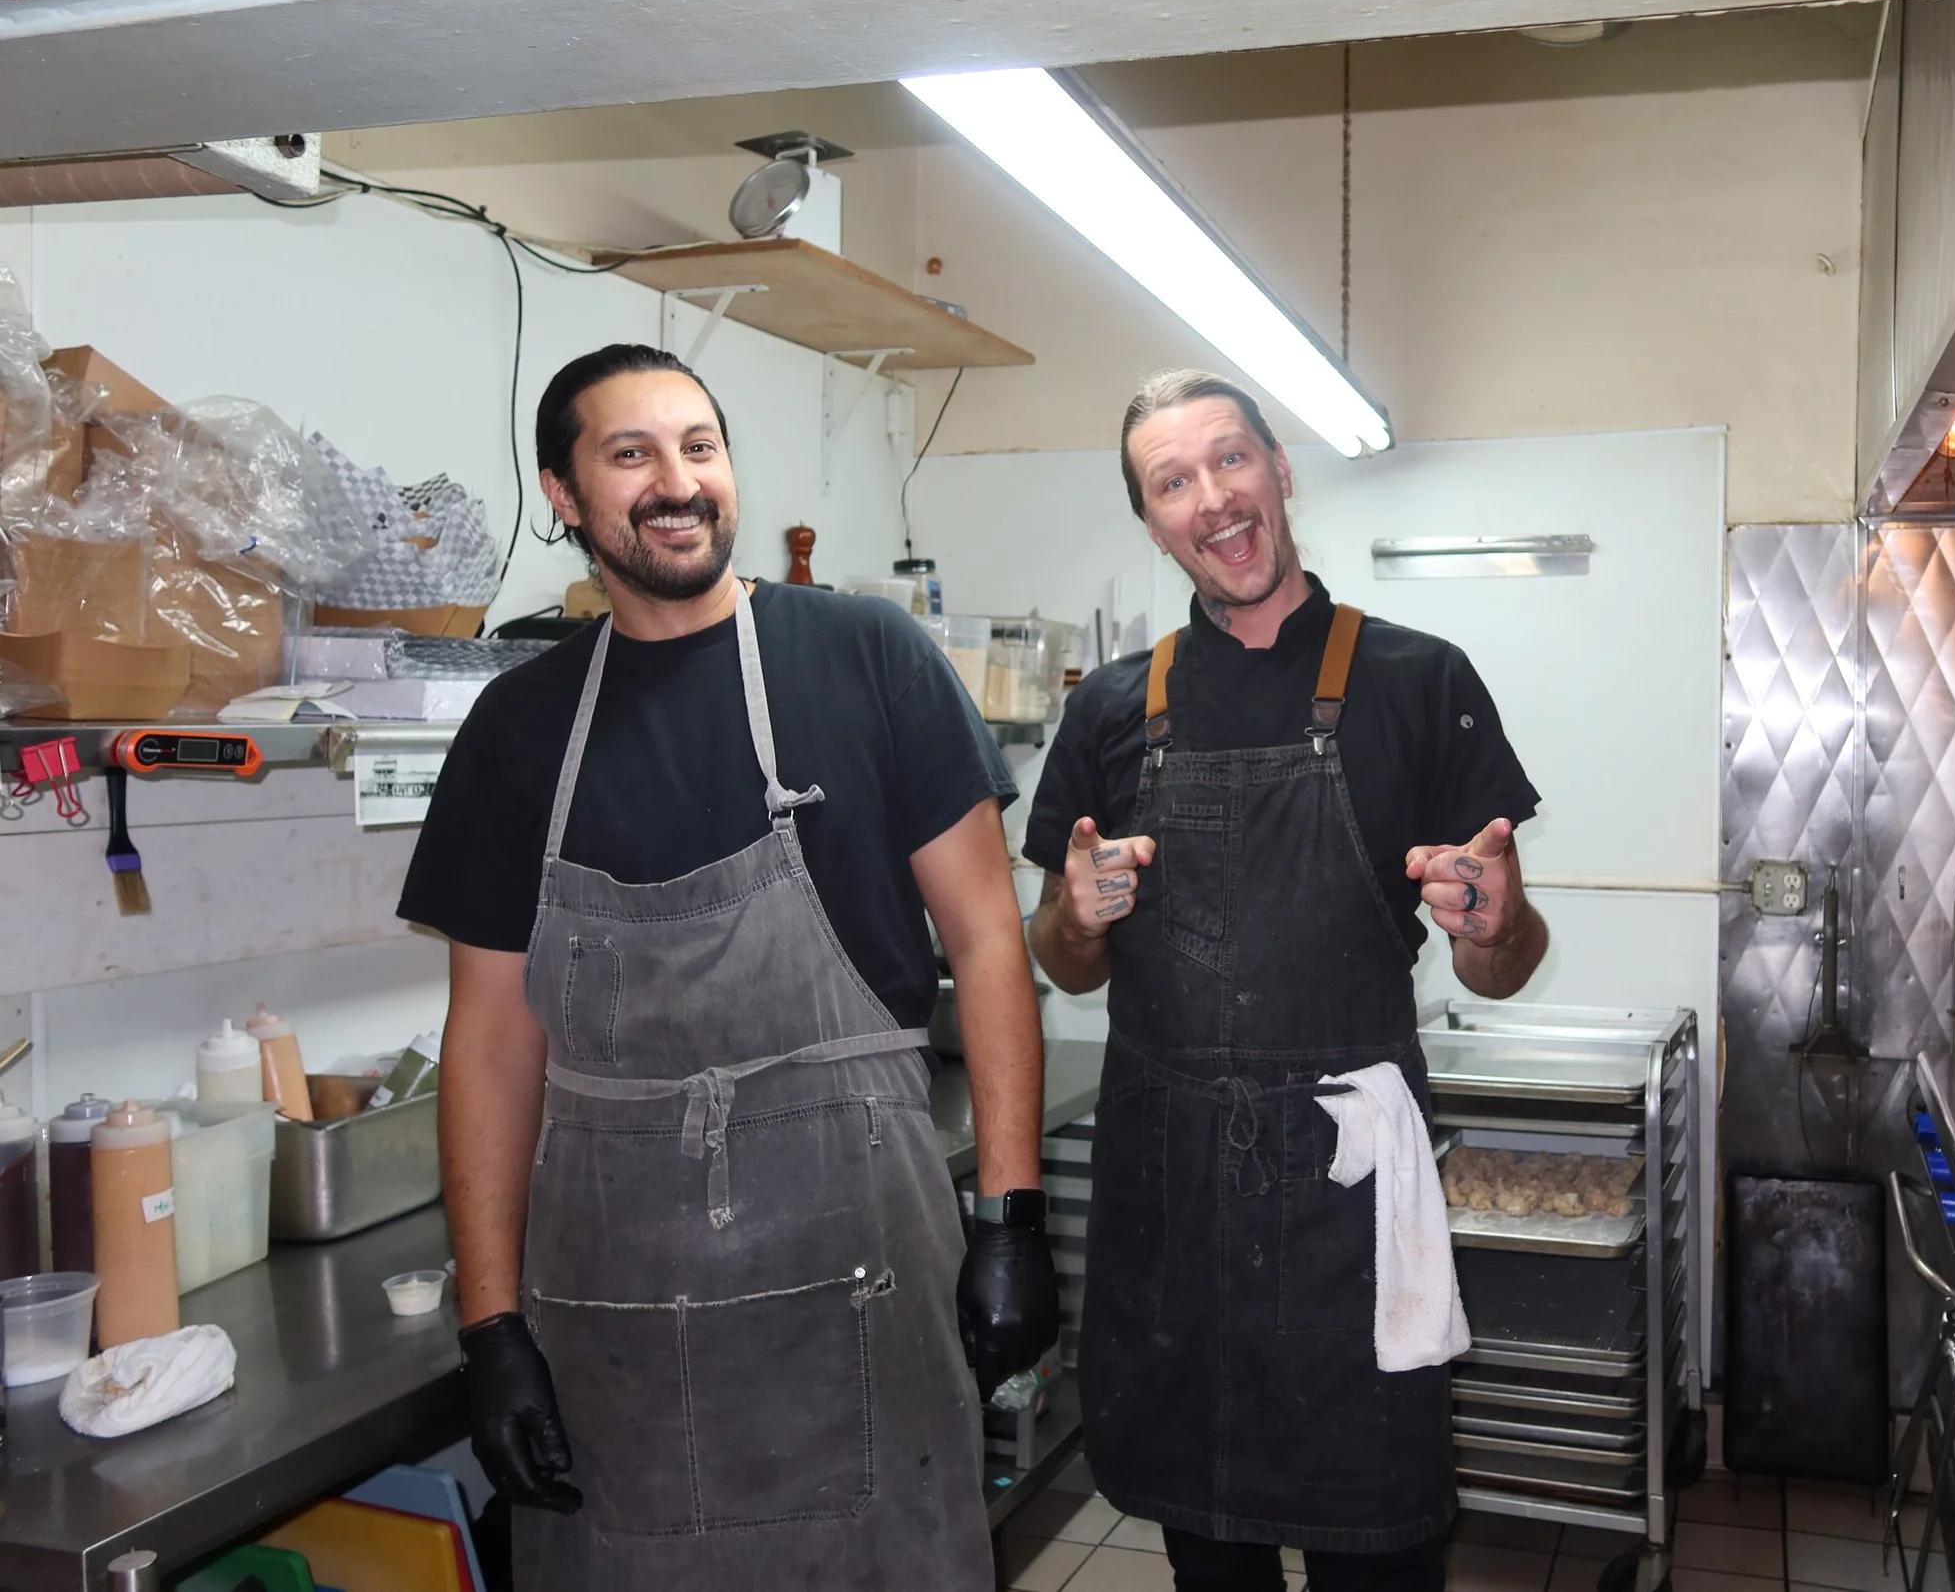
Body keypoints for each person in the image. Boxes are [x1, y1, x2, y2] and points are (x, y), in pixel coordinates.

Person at [401, 343, 1057, 1590]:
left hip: (860, 1274)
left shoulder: (868, 654)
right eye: (631, 454)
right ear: (563, 492)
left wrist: (1009, 1215)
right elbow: (487, 1038)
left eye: (698, 446)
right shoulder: (518, 728)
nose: (677, 481)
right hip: (616, 1313)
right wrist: (491, 1326)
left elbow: (986, 940)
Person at [1025, 369, 1549, 1592]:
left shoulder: (1419, 680)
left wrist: (1495, 922)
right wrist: (1072, 915)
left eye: (1230, 459)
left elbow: (1504, 962)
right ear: (1151, 522)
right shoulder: (1109, 709)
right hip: (1174, 1205)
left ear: (1279, 469)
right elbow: (1063, 958)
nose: (1212, 497)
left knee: (1384, 1555)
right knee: (1210, 1558)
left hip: (1346, 1205)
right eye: (1173, 481)